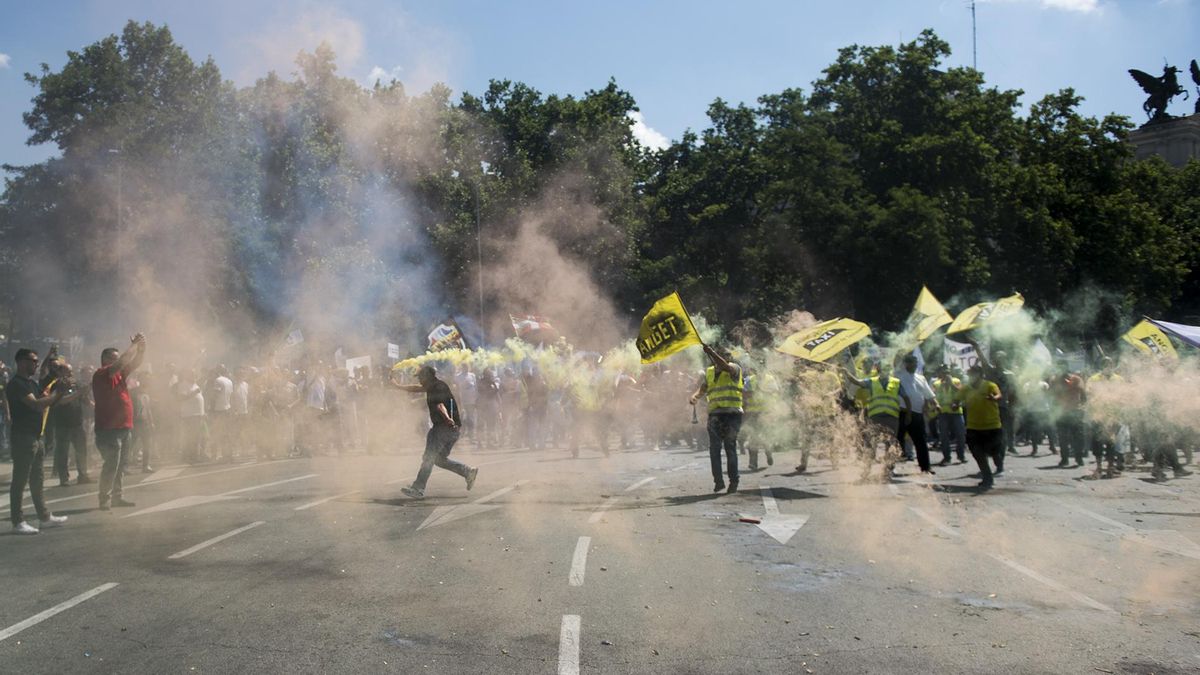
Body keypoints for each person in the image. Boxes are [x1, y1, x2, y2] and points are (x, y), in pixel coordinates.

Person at [6, 348, 69, 534]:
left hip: (35, 436)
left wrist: (57, 386)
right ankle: (17, 521)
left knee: (37, 479)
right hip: (23, 436)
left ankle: (44, 517)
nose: (35, 363)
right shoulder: (17, 384)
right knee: (20, 480)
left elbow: (44, 399)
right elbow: (35, 405)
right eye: (32, 360)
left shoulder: (30, 383)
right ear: (21, 362)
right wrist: (57, 395)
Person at [396, 365, 478, 499]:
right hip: (452, 430)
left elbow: (440, 405)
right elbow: (416, 388)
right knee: (439, 459)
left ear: (427, 376)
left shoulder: (436, 388)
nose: (420, 381)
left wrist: (447, 419)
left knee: (429, 457)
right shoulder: (436, 385)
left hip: (443, 428)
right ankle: (468, 472)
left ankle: (418, 488)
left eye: (421, 377)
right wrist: (397, 386)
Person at [93, 334, 146, 511]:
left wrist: (141, 349)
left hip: (124, 426)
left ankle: (117, 497)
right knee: (111, 464)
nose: (119, 362)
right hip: (109, 428)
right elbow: (122, 361)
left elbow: (135, 363)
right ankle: (104, 499)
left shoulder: (120, 374)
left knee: (121, 464)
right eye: (114, 359)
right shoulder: (101, 373)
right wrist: (133, 346)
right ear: (105, 360)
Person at [840, 359, 912, 483]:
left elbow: (906, 398)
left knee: (891, 446)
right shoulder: (871, 381)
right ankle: (866, 472)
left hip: (891, 418)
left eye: (886, 368)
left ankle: (888, 471)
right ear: (878, 370)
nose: (884, 370)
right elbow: (857, 382)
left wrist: (909, 414)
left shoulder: (896, 382)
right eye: (882, 368)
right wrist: (847, 373)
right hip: (875, 418)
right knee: (871, 445)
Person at [690, 344, 744, 494]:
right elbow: (704, 388)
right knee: (714, 449)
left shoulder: (735, 368)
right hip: (715, 415)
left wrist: (712, 352)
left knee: (729, 447)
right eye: (721, 355)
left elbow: (726, 366)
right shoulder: (710, 372)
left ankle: (734, 481)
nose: (723, 359)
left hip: (732, 415)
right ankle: (719, 481)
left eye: (726, 356)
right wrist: (695, 396)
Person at [958, 364, 1003, 490]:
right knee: (978, 453)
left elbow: (998, 395)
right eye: (970, 374)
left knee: (994, 451)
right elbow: (957, 399)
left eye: (974, 373)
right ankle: (987, 477)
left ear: (980, 375)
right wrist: (955, 404)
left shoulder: (990, 385)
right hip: (974, 426)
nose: (972, 376)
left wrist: (994, 398)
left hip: (992, 425)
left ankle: (999, 465)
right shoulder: (966, 388)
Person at [49, 361, 93, 486]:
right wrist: (78, 393)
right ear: (60, 372)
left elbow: (86, 401)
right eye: (68, 371)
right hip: (63, 424)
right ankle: (64, 478)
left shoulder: (76, 385)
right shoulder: (56, 385)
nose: (70, 374)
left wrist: (98, 407)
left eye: (71, 371)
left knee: (81, 450)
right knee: (63, 452)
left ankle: (83, 475)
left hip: (77, 423)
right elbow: (61, 401)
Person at [895, 353, 939, 474]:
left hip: (917, 414)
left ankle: (925, 467)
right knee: (897, 440)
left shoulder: (921, 378)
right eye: (911, 363)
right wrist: (902, 349)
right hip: (902, 412)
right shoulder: (898, 374)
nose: (914, 365)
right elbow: (896, 360)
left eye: (915, 363)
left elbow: (929, 394)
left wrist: (936, 404)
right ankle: (889, 467)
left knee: (921, 441)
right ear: (905, 364)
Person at [932, 365, 967, 465]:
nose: (946, 374)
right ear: (939, 373)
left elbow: (961, 392)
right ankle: (947, 457)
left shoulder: (956, 380)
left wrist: (951, 384)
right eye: (943, 372)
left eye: (947, 372)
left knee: (961, 434)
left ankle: (961, 455)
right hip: (943, 412)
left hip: (956, 411)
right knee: (944, 436)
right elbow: (932, 395)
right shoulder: (936, 383)